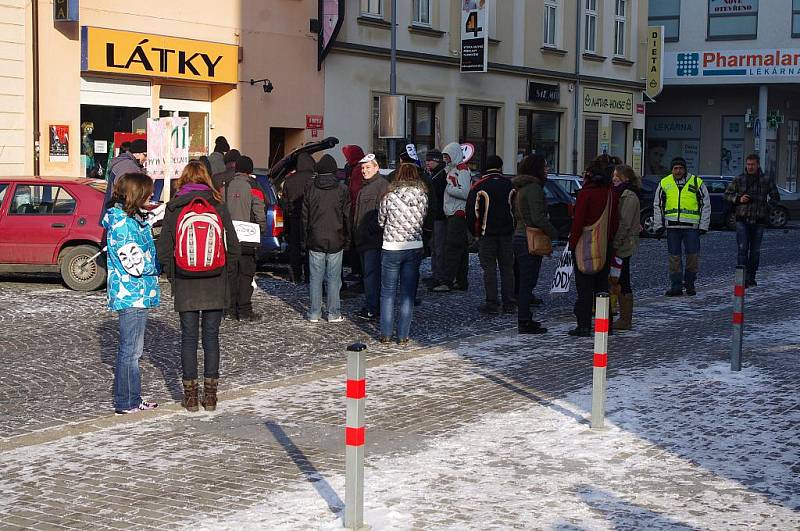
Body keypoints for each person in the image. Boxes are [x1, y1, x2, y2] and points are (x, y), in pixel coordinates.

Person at [157, 161, 241, 413]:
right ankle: (211, 397)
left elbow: (163, 250)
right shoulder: (218, 205)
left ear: (183, 180)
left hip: (185, 282)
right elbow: (234, 249)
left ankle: (191, 398)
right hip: (215, 282)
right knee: (212, 338)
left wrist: (175, 276)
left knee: (189, 338)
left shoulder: (174, 208)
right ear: (207, 179)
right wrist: (223, 273)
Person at [102, 172, 161, 414]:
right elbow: (134, 263)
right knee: (130, 351)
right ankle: (126, 401)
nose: (152, 196)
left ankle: (132, 398)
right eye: (147, 192)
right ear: (136, 194)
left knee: (133, 351)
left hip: (136, 293)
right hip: (131, 293)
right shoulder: (123, 225)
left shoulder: (129, 219)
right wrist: (157, 265)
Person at [569, 156, 620, 337]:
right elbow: (614, 222)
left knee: (584, 289)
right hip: (604, 245)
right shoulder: (610, 194)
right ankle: (606, 325)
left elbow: (578, 222)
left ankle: (583, 326)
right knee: (602, 288)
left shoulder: (586, 193)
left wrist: (572, 244)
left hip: (585, 245)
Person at [378, 163, 428, 344]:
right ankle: (403, 335)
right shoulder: (422, 196)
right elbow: (423, 219)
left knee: (388, 292)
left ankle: (386, 333)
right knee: (407, 294)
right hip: (414, 245)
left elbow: (381, 221)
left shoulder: (389, 196)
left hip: (391, 247)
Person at [302, 154, 351, 323]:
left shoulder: (311, 189)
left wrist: (304, 238)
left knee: (315, 278)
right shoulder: (342, 189)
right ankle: (333, 313)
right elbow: (346, 216)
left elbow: (304, 217)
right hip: (336, 237)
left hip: (315, 237)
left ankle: (314, 313)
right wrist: (348, 237)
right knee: (334, 278)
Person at [512, 155, 557, 334]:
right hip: (529, 238)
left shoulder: (522, 187)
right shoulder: (534, 188)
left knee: (525, 281)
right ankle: (524, 320)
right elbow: (538, 218)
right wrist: (554, 233)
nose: (547, 170)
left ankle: (525, 318)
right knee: (527, 282)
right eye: (545, 167)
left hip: (520, 236)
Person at [653, 157, 711, 296]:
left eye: (681, 168)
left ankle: (690, 284)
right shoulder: (664, 183)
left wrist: (703, 225)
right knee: (674, 258)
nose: (678, 171)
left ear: (685, 169)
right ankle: (676, 286)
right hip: (672, 227)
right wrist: (658, 225)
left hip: (691, 227)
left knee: (692, 257)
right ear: (672, 169)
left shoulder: (697, 182)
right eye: (675, 168)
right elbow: (658, 205)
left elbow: (706, 204)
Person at [466, 155, 516, 315]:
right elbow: (516, 209)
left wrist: (475, 233)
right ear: (500, 167)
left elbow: (471, 212)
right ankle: (509, 302)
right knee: (507, 268)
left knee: (489, 269)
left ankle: (492, 303)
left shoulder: (479, 186)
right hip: (507, 233)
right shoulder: (509, 184)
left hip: (486, 234)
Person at [724, 153, 779, 288]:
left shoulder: (766, 179)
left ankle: (751, 277)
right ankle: (741, 279)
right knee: (742, 249)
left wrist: (766, 208)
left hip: (759, 220)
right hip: (742, 220)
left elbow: (775, 197)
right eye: (748, 164)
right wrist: (738, 199)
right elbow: (727, 194)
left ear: (757, 165)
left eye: (752, 164)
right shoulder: (739, 179)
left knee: (755, 251)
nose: (750, 167)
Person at [223, 155, 267, 321]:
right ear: (249, 170)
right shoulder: (254, 186)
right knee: (246, 275)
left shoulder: (225, 186)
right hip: (248, 237)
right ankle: (244, 310)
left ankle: (229, 310)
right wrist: (260, 231)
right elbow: (259, 212)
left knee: (231, 274)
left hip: (229, 237)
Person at [353, 154, 390, 320]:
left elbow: (383, 214)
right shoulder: (365, 186)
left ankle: (372, 308)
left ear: (376, 168)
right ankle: (372, 306)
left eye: (368, 167)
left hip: (373, 240)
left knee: (372, 276)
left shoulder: (382, 186)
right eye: (362, 168)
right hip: (363, 238)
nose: (364, 171)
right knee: (369, 275)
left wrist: (370, 231)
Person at [432, 142, 472, 292]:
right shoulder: (454, 169)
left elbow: (465, 192)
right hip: (454, 213)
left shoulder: (461, 170)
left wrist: (449, 188)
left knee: (452, 248)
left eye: (447, 156)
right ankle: (461, 281)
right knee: (461, 249)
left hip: (457, 213)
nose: (445, 159)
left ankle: (447, 281)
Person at [609, 165, 641, 331]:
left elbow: (625, 223)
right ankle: (619, 314)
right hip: (620, 243)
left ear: (626, 178)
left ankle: (625, 318)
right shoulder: (618, 193)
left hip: (623, 245)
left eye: (617, 176)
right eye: (613, 175)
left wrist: (615, 242)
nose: (614, 178)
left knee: (622, 279)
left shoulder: (628, 196)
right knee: (616, 278)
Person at [283, 153, 314, 283]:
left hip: (294, 216)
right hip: (311, 217)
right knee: (309, 247)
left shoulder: (290, 180)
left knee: (294, 246)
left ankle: (296, 274)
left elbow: (285, 201)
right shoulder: (313, 179)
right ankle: (308, 275)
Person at [102, 138, 147, 222]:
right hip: (123, 215)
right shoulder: (128, 166)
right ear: (136, 153)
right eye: (145, 155)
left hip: (118, 213)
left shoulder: (125, 163)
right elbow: (126, 193)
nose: (146, 158)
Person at [424, 149, 448, 287]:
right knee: (434, 247)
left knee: (439, 248)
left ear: (437, 161)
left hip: (439, 216)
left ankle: (439, 276)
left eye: (430, 160)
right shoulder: (433, 174)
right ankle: (435, 274)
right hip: (433, 215)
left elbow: (439, 195)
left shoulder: (441, 175)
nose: (427, 163)